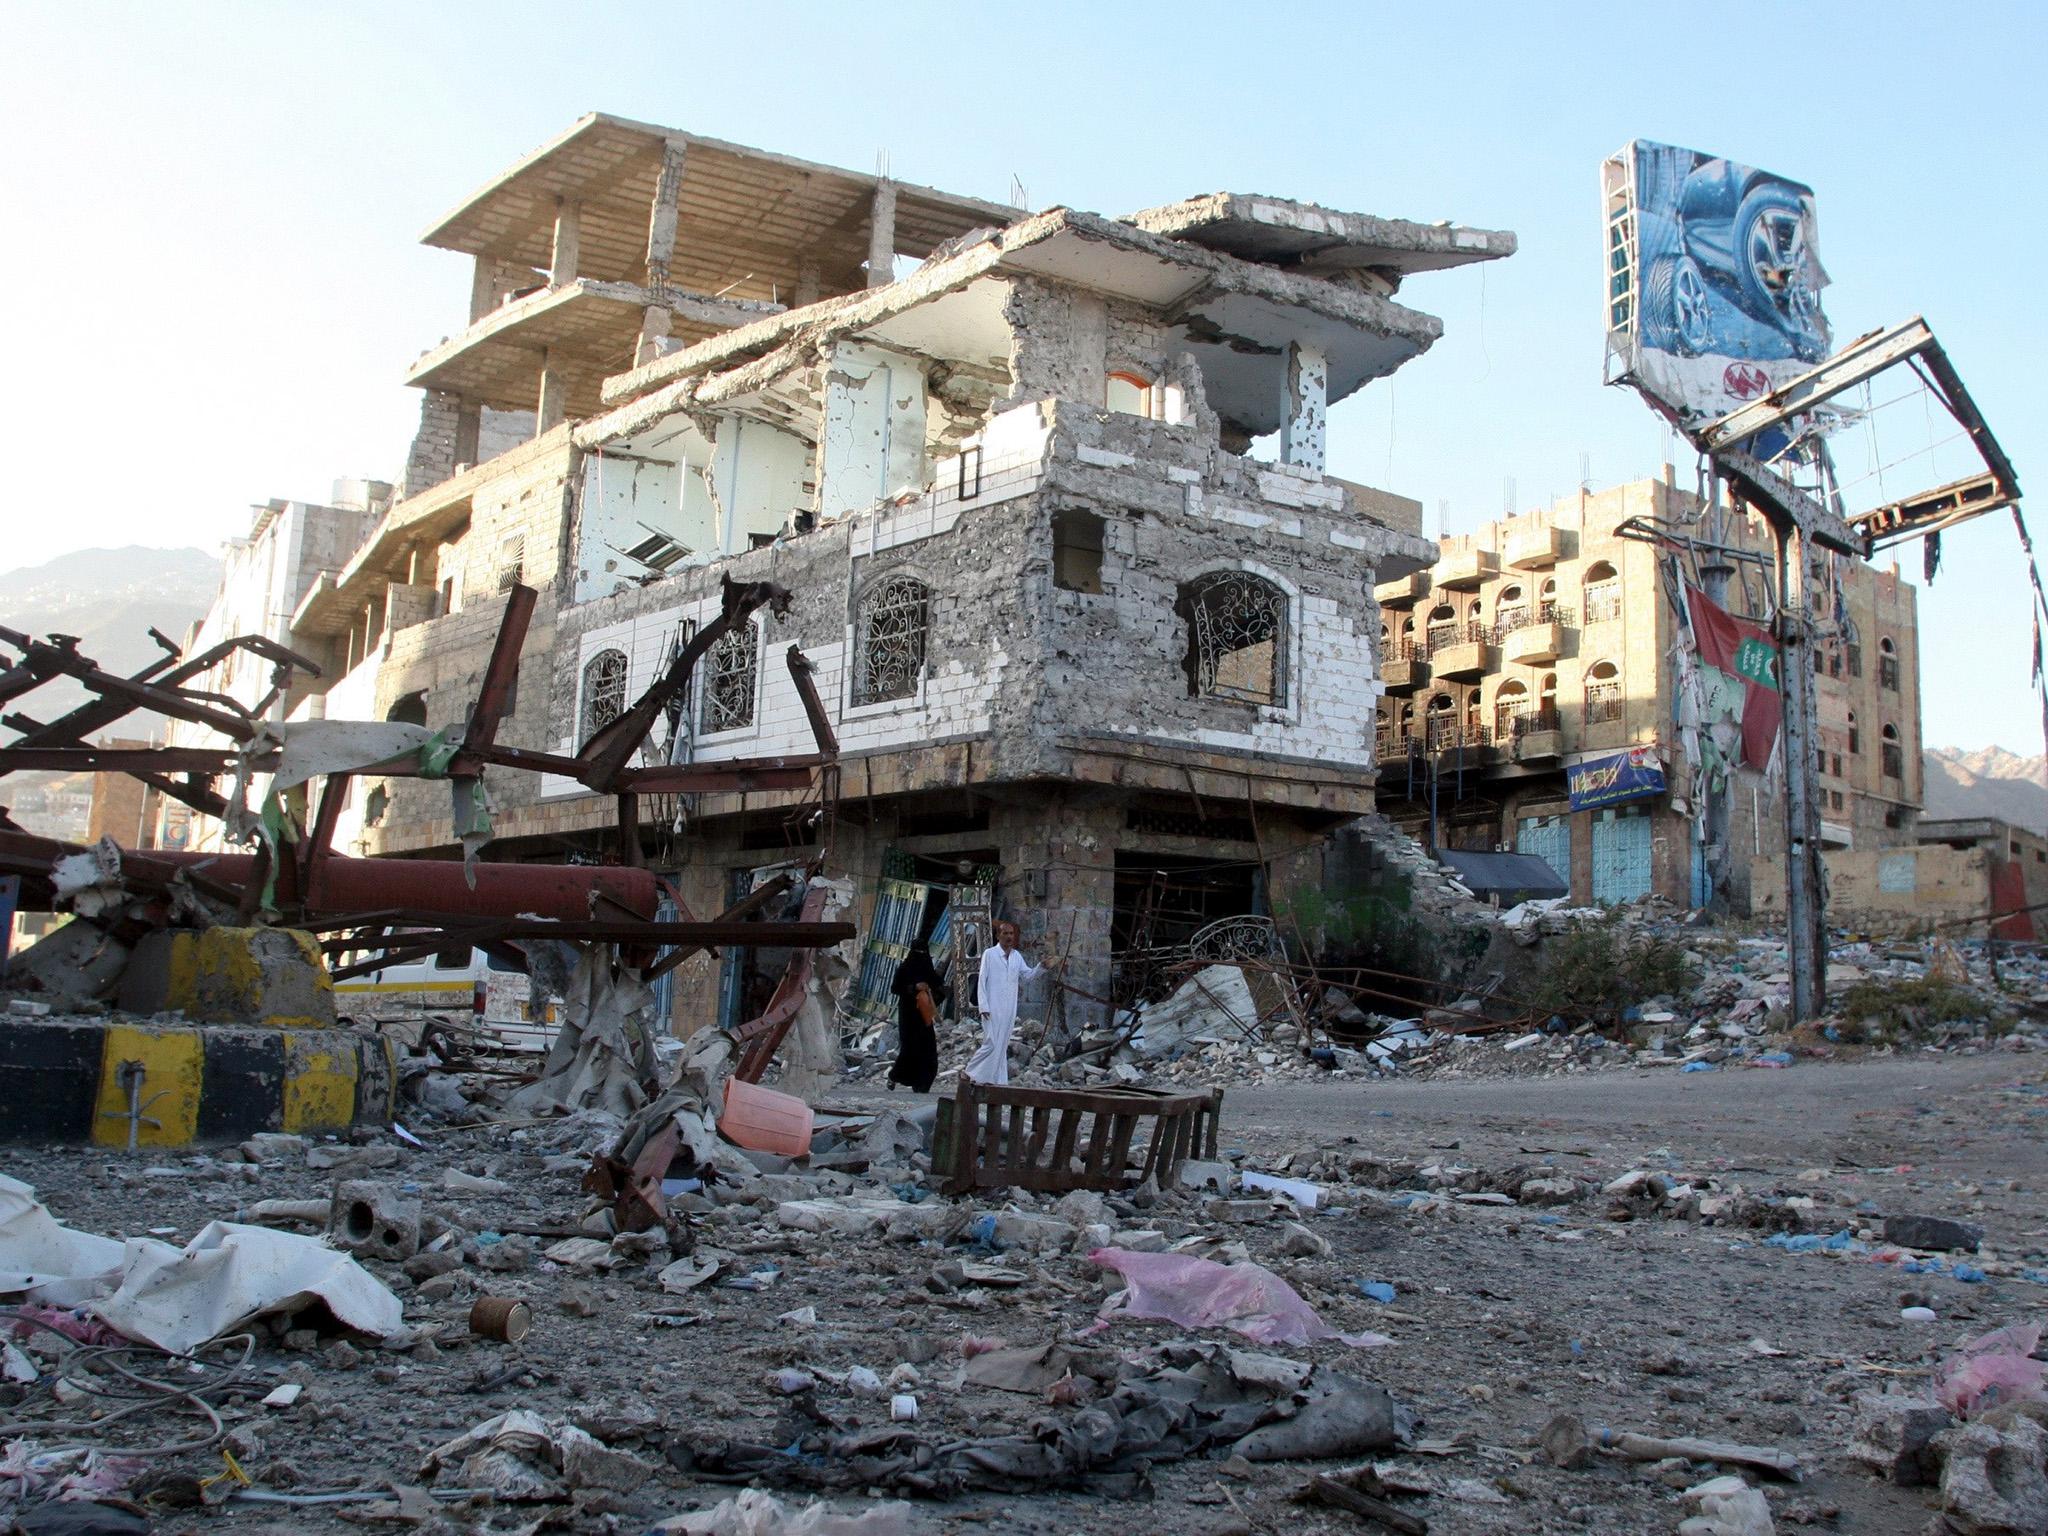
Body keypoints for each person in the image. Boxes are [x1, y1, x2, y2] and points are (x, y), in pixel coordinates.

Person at [965, 919, 1047, 1086]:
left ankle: (997, 1080)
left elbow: (1028, 976)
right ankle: (969, 1072)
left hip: (1009, 1008)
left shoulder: (1016, 957)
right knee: (991, 1042)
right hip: (992, 1007)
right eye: (1005, 933)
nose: (1009, 937)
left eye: (1011, 934)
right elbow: (982, 981)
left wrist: (1042, 967)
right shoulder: (990, 954)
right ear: (998, 935)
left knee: (1002, 1044)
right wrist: (983, 1006)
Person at [886, 938, 946, 1092]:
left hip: (924, 1016)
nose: (921, 956)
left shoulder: (927, 969)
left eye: (923, 952)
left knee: (928, 1049)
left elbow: (938, 987)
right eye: (918, 952)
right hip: (908, 1015)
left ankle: (922, 1084)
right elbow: (895, 988)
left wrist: (933, 992)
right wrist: (914, 987)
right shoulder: (904, 969)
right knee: (909, 1049)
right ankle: (894, 1076)